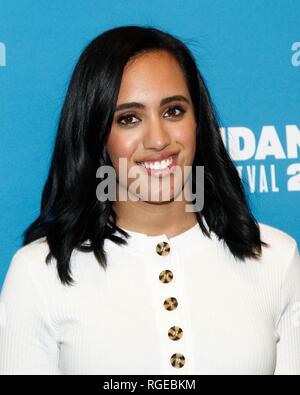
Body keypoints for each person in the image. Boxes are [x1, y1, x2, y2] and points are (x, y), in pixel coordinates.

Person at [0, 25, 299, 375]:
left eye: (173, 111)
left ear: (197, 122)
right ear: (98, 134)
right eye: (129, 118)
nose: (158, 139)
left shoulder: (276, 258)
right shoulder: (39, 273)